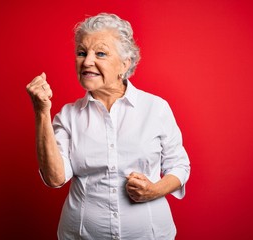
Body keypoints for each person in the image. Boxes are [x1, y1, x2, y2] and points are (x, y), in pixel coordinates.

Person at [26, 13, 190, 240]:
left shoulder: (156, 108)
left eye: (100, 53)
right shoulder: (67, 116)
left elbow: (179, 166)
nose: (87, 61)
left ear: (125, 64)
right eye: (82, 53)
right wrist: (41, 111)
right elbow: (55, 178)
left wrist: (154, 190)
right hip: (80, 235)